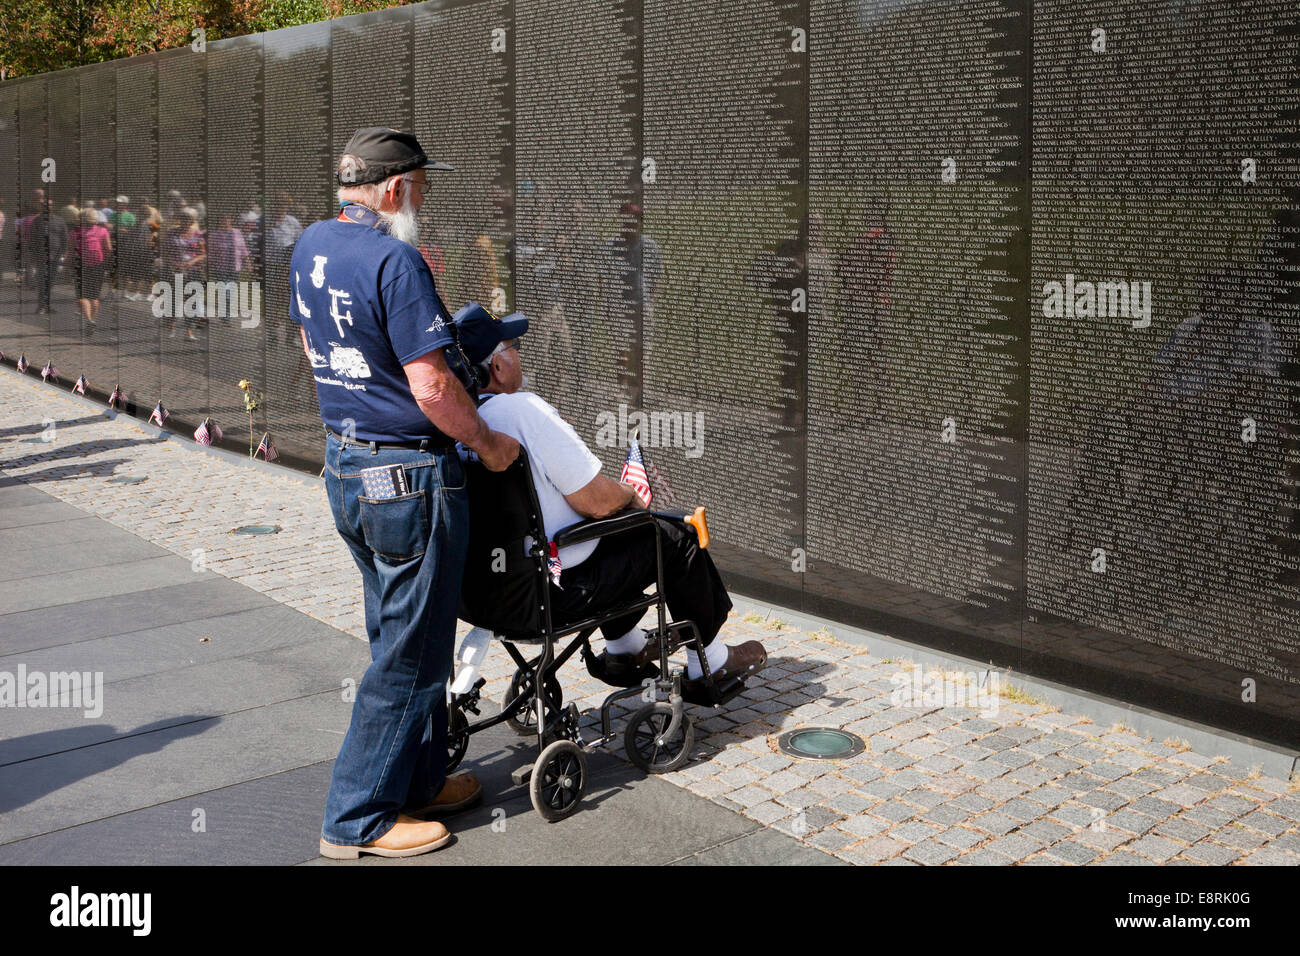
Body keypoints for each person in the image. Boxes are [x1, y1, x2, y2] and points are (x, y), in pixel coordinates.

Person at [291, 127, 520, 860]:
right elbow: (429, 384)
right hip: (409, 480)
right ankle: (356, 818)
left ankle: (416, 778)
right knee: (412, 656)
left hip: (347, 466)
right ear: (393, 190)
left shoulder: (310, 246)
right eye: (420, 186)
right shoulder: (396, 259)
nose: (423, 199)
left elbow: (311, 343)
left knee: (404, 633)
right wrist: (488, 443)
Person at [455, 307, 766, 701]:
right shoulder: (519, 410)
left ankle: (626, 650)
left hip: (486, 594)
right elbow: (595, 500)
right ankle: (712, 661)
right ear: (497, 366)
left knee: (621, 537)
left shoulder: (453, 422)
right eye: (514, 347)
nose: (520, 354)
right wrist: (630, 495)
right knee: (674, 535)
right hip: (554, 591)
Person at [68, 207, 112, 329]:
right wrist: (105, 261)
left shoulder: (75, 232)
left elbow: (71, 251)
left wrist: (68, 265)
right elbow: (108, 249)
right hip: (98, 266)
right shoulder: (103, 231)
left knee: (82, 296)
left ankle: (87, 319)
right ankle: (92, 319)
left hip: (80, 265)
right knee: (94, 296)